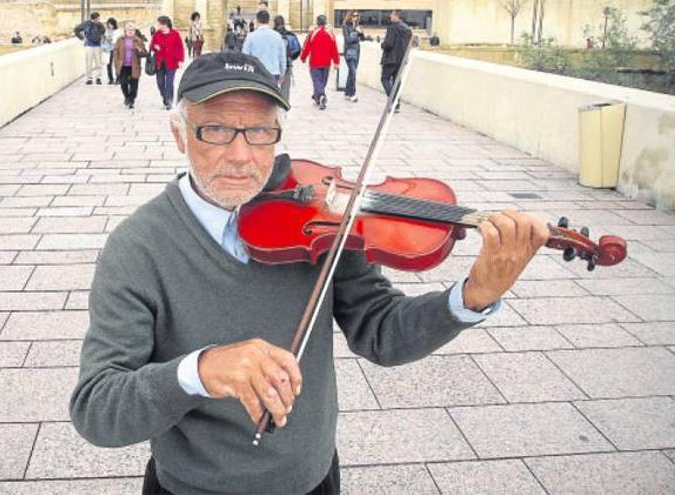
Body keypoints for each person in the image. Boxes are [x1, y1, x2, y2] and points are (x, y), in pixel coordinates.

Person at [69, 50, 549, 495]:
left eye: (260, 131)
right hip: (192, 487)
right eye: (215, 130)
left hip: (312, 480)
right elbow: (98, 408)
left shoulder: (325, 223)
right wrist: (200, 371)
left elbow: (381, 331)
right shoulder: (137, 247)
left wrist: (471, 297)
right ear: (179, 134)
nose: (241, 156)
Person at [300, 15, 339, 110]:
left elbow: (307, 47)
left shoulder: (313, 33)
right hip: (326, 62)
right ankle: (317, 98)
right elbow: (334, 49)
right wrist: (336, 62)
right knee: (323, 81)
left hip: (315, 62)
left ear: (317, 22)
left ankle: (320, 95)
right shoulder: (330, 34)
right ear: (326, 22)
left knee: (317, 81)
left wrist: (303, 57)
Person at [242, 10, 286, 86]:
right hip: (273, 73)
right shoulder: (277, 36)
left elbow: (244, 56)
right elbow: (282, 57)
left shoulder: (251, 36)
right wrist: (282, 74)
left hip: (256, 73)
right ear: (268, 20)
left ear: (257, 20)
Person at [150, 15, 185, 110]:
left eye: (160, 24)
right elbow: (151, 46)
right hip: (160, 62)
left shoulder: (175, 34)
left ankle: (169, 100)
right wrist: (155, 47)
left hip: (171, 62)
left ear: (165, 24)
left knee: (169, 82)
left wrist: (180, 60)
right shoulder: (157, 34)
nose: (159, 26)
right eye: (159, 24)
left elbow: (179, 48)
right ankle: (165, 97)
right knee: (160, 82)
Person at [381, 10, 412, 112]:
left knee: (384, 78)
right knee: (396, 80)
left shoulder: (392, 28)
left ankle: (393, 101)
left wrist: (382, 44)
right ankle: (397, 103)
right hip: (402, 59)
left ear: (397, 16)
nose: (390, 16)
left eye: (392, 14)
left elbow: (388, 44)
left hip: (390, 58)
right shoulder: (408, 29)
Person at [113, 22, 148, 109]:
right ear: (125, 30)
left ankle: (131, 100)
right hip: (123, 65)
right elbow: (116, 51)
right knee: (123, 82)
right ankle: (126, 97)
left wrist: (139, 50)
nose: (130, 31)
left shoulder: (138, 40)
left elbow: (144, 54)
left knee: (134, 84)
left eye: (132, 30)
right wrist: (116, 63)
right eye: (128, 30)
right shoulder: (120, 39)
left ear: (135, 31)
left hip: (134, 66)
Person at [274, 14, 298, 102]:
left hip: (274, 64)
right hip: (287, 64)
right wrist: (290, 57)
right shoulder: (290, 35)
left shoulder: (272, 34)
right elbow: (297, 49)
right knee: (285, 88)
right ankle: (284, 107)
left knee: (272, 86)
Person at [341, 11, 365, 102]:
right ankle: (352, 94)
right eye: (354, 16)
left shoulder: (357, 26)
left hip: (357, 51)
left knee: (352, 72)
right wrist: (357, 35)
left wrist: (360, 33)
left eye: (357, 16)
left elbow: (363, 38)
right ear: (350, 16)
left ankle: (347, 93)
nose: (355, 17)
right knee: (353, 72)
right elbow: (348, 40)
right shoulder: (345, 26)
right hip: (349, 52)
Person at [82, 12, 106, 85]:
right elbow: (77, 29)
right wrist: (81, 37)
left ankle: (98, 78)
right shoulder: (87, 24)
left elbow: (103, 33)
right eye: (97, 19)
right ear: (94, 19)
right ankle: (89, 78)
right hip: (89, 45)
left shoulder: (100, 25)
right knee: (88, 62)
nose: (98, 20)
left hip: (97, 45)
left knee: (98, 62)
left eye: (99, 18)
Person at [104, 18, 121, 85]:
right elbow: (105, 39)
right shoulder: (106, 31)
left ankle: (118, 79)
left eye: (111, 24)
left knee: (116, 64)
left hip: (115, 49)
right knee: (108, 65)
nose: (110, 26)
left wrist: (109, 39)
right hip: (108, 50)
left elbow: (116, 40)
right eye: (109, 24)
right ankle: (110, 79)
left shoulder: (117, 31)